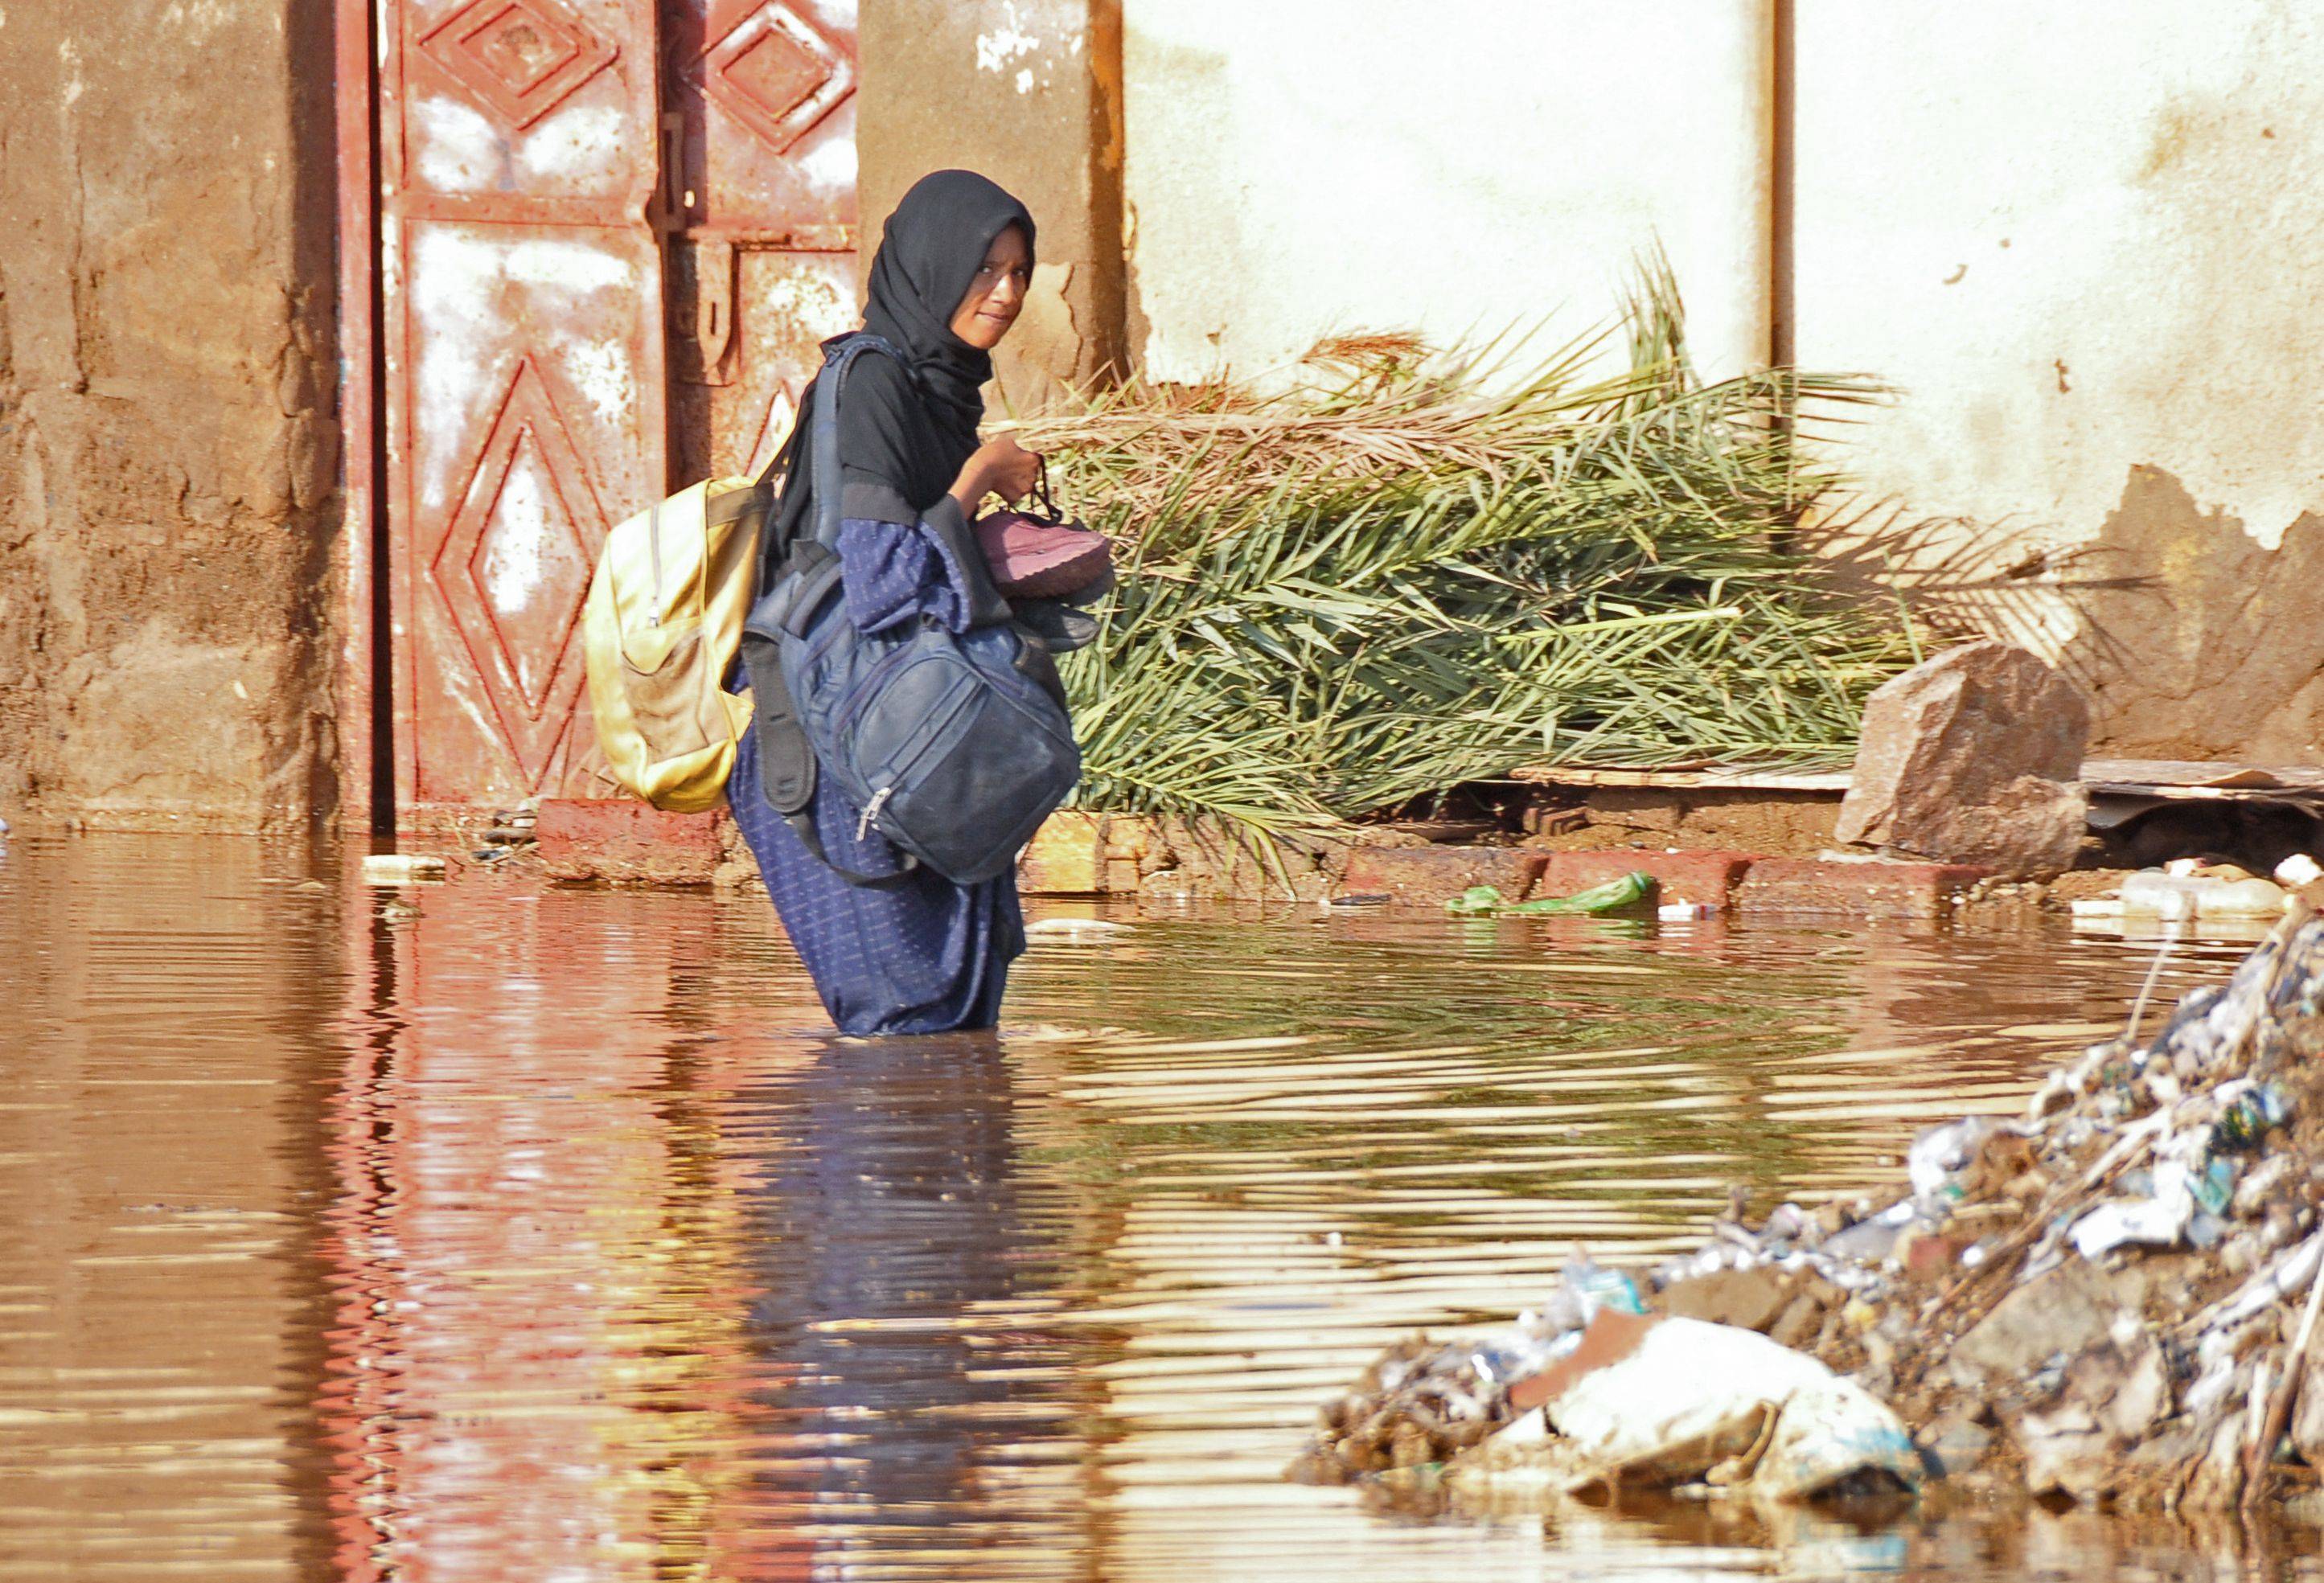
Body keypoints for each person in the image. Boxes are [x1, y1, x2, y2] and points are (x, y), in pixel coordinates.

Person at [727, 170, 1049, 1036]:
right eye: (985, 269)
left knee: (959, 1031)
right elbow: (883, 581)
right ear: (931, 266)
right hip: (840, 758)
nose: (1006, 293)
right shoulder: (871, 385)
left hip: (921, 744)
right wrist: (980, 479)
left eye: (1019, 271)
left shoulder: (942, 394)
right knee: (900, 1032)